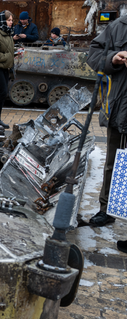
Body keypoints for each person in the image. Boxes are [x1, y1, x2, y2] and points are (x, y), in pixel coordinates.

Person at [86, 15, 127, 237]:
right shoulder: (118, 26)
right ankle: (107, 209)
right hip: (119, 109)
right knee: (113, 163)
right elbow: (93, 57)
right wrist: (114, 58)